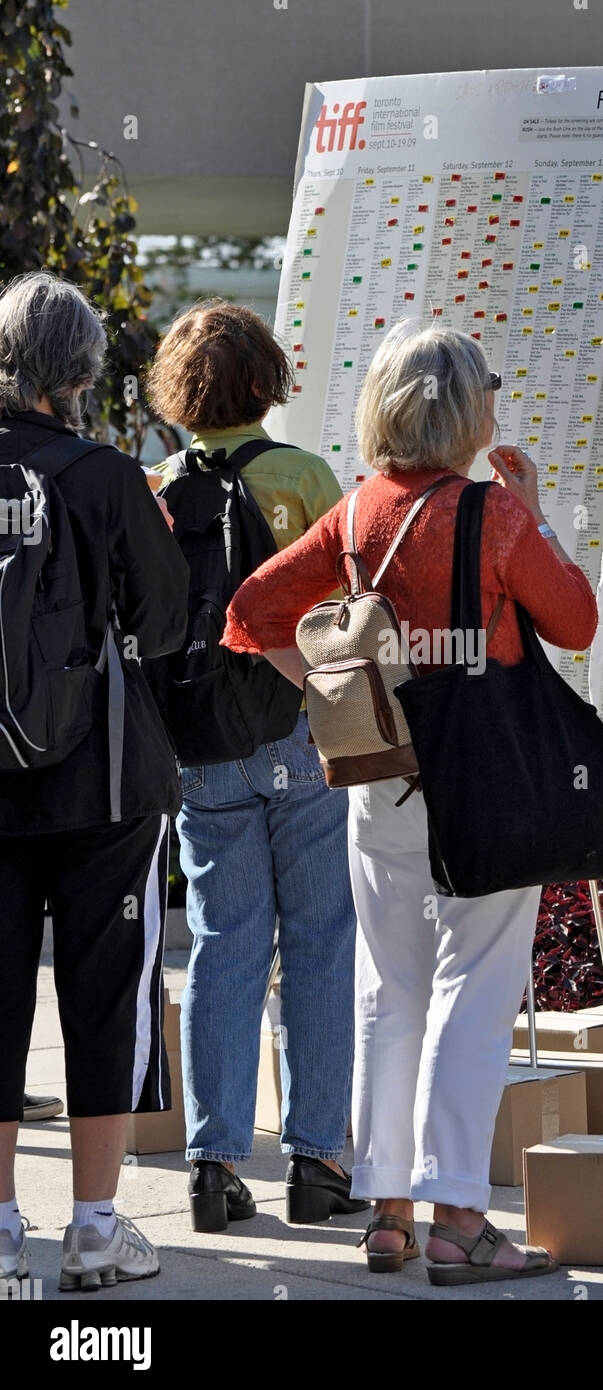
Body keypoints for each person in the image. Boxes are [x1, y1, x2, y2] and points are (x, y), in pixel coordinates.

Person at [222, 320, 598, 1285]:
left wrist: (330, 698)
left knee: (386, 989)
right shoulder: (494, 516)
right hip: (487, 784)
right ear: (468, 410)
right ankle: (459, 1219)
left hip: (380, 778)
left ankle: (387, 1209)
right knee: (472, 990)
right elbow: (577, 621)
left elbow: (251, 611)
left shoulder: (355, 516)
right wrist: (536, 511)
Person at [147, 302, 367, 1232]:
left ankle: (213, 1168)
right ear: (265, 380)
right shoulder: (304, 476)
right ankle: (316, 1161)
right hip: (300, 735)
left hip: (201, 750)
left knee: (223, 951)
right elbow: (350, 607)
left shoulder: (157, 484)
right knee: (319, 943)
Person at [0, 271, 189, 1290]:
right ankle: (93, 1226)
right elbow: (164, 626)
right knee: (105, 994)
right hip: (100, 783)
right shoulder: (107, 477)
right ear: (78, 369)